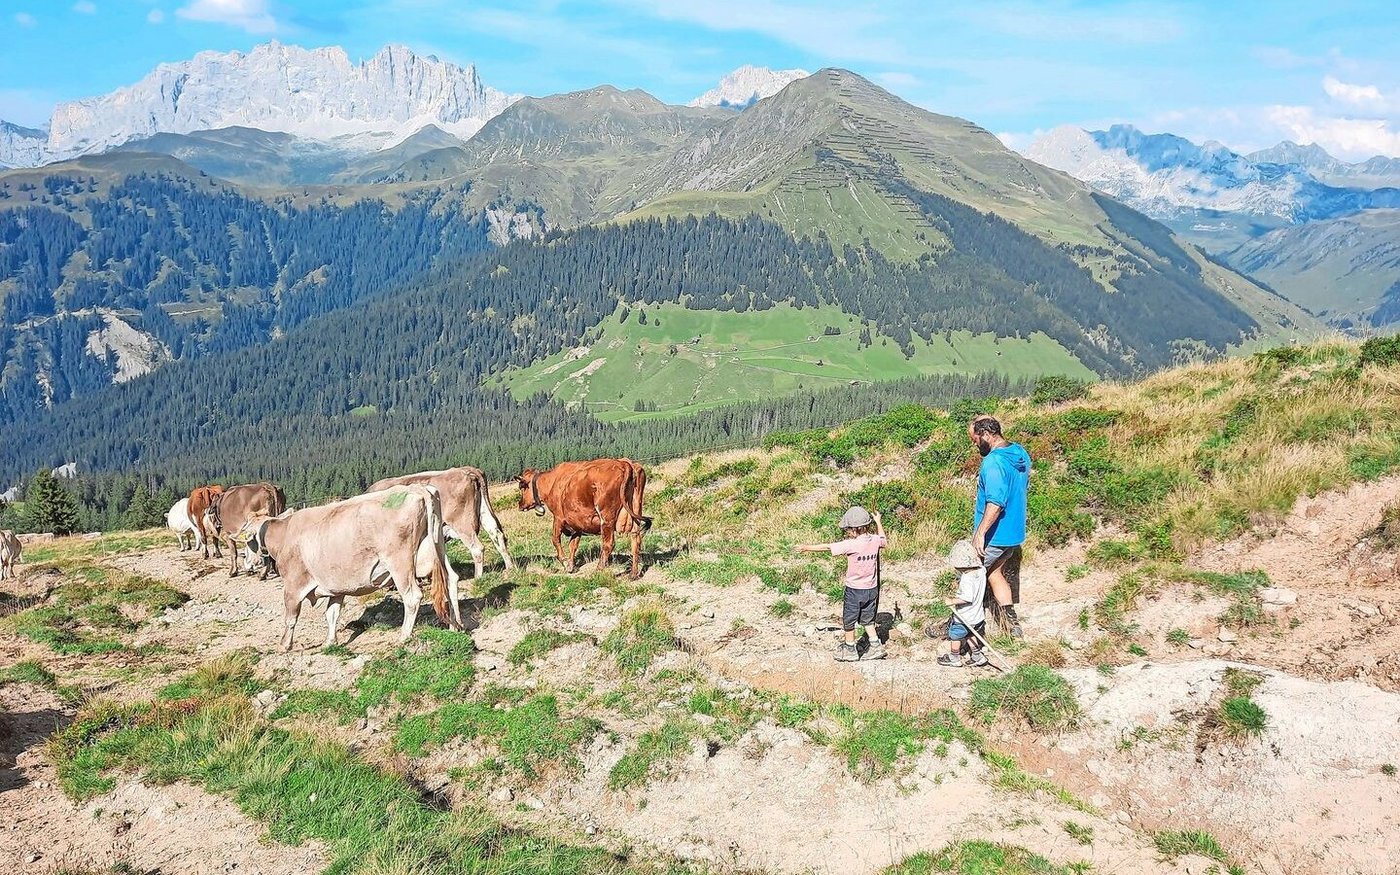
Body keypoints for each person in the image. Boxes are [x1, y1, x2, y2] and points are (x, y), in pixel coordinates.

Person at [794, 505, 886, 661]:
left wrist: (806, 548)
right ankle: (876, 645)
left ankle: (850, 649)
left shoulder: (851, 544)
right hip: (872, 589)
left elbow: (827, 547)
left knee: (849, 620)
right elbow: (883, 540)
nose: (847, 532)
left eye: (848, 530)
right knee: (868, 619)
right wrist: (878, 522)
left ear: (854, 529)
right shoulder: (875, 540)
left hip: (854, 590)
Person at [969, 415, 1031, 637]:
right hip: (1015, 534)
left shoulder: (993, 463)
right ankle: (1011, 625)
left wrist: (980, 534)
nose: (975, 445)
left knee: (970, 580)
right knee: (995, 573)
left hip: (995, 536)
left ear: (986, 434)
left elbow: (995, 503)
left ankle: (959, 629)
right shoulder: (1019, 453)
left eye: (975, 440)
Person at [939, 538, 988, 668]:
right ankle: (977, 656)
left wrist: (951, 601)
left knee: (954, 636)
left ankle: (954, 657)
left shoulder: (967, 579)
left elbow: (967, 598)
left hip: (964, 617)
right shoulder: (982, 571)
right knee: (971, 634)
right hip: (977, 616)